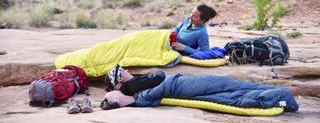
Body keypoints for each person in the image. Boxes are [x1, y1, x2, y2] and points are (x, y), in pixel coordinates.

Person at [101, 69, 299, 112]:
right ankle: (280, 96)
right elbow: (160, 79)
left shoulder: (134, 86)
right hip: (178, 84)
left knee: (229, 89)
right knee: (229, 88)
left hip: (180, 84)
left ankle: (278, 95)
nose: (125, 70)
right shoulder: (131, 88)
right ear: (118, 83)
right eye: (120, 72)